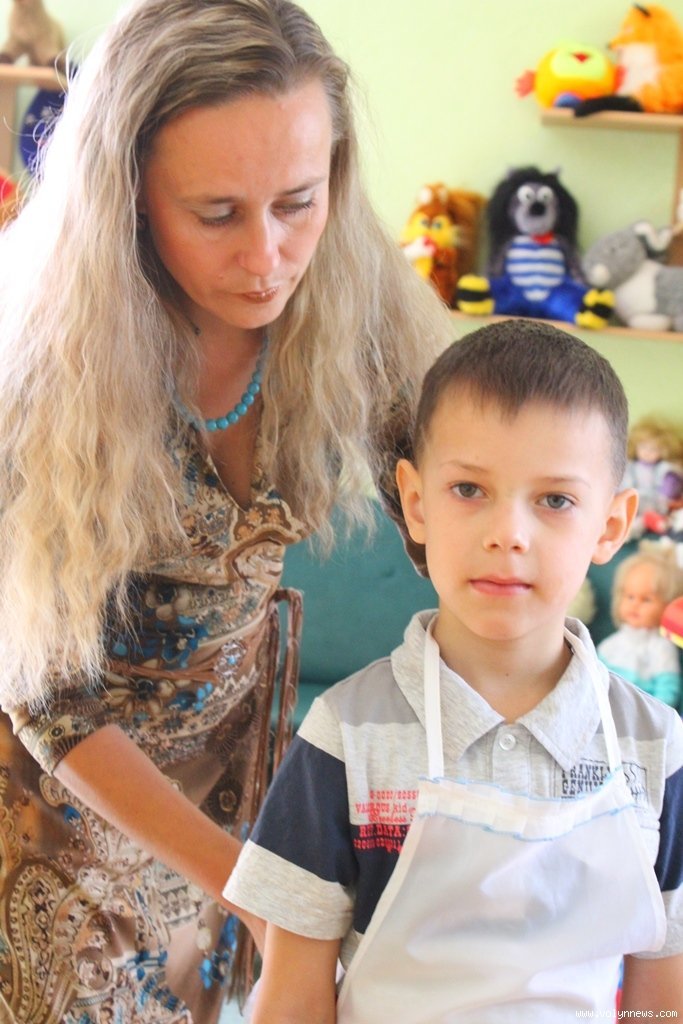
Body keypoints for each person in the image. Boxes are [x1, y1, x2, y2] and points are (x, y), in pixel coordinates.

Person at [0, 1, 453, 1021]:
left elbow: (453, 497)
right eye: (216, 214)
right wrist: (251, 883)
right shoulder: (34, 365)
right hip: (48, 817)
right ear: (126, 200)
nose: (267, 256)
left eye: (297, 201)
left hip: (232, 799)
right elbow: (44, 697)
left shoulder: (351, 298)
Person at [226, 319, 683, 1022]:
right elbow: (291, 1000)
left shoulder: (655, 748)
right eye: (469, 489)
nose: (508, 534)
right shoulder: (347, 737)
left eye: (555, 500)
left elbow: (659, 1003)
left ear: (611, 526)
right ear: (415, 503)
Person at [598, 550, 683, 708]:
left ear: (667, 605)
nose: (635, 604)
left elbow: (667, 692)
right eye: (630, 596)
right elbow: (592, 678)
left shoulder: (661, 648)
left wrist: (650, 716)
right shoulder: (611, 644)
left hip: (642, 714)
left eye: (646, 599)